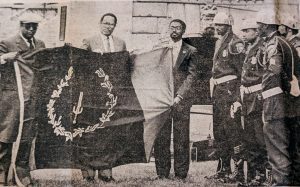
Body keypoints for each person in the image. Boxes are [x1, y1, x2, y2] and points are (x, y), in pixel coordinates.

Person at [0, 13, 45, 186]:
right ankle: (2, 175)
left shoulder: (40, 44)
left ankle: (22, 174)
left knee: (27, 137)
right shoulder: (7, 43)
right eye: (28, 26)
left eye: (34, 26)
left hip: (32, 99)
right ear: (21, 25)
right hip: (12, 98)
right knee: (7, 136)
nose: (31, 29)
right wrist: (5, 58)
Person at [81, 13, 126, 182]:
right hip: (93, 96)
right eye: (106, 23)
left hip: (112, 96)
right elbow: (81, 64)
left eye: (112, 24)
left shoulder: (121, 43)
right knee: (91, 133)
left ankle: (106, 173)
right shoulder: (89, 41)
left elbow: (124, 67)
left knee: (109, 134)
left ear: (115, 26)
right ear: (100, 23)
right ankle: (89, 173)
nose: (108, 26)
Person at [256, 13, 300, 186]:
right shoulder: (286, 43)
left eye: (258, 24)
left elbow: (274, 73)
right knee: (291, 147)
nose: (257, 27)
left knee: (277, 147)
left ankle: (280, 183)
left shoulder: (274, 44)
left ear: (266, 25)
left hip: (275, 102)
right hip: (290, 103)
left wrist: (266, 96)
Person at [153, 19, 197, 180]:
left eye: (178, 28)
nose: (174, 31)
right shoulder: (161, 48)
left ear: (183, 31)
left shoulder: (191, 51)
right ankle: (162, 173)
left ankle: (181, 173)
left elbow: (192, 76)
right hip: (163, 100)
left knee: (181, 136)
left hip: (181, 100)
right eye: (172, 27)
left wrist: (179, 95)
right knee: (161, 136)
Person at [206, 12, 245, 183]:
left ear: (228, 25)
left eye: (220, 25)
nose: (217, 28)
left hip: (230, 91)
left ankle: (238, 171)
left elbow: (241, 73)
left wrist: (237, 98)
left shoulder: (236, 44)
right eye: (216, 25)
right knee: (219, 131)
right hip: (218, 91)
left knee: (233, 131)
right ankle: (223, 169)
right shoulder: (218, 42)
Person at [231, 20, 269, 185]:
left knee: (260, 139)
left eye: (247, 31)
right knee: (250, 140)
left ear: (257, 31)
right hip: (246, 99)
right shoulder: (247, 50)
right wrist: (239, 100)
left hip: (258, 99)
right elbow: (243, 79)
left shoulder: (263, 49)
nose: (244, 34)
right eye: (243, 31)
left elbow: (268, 77)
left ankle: (262, 175)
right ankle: (252, 176)